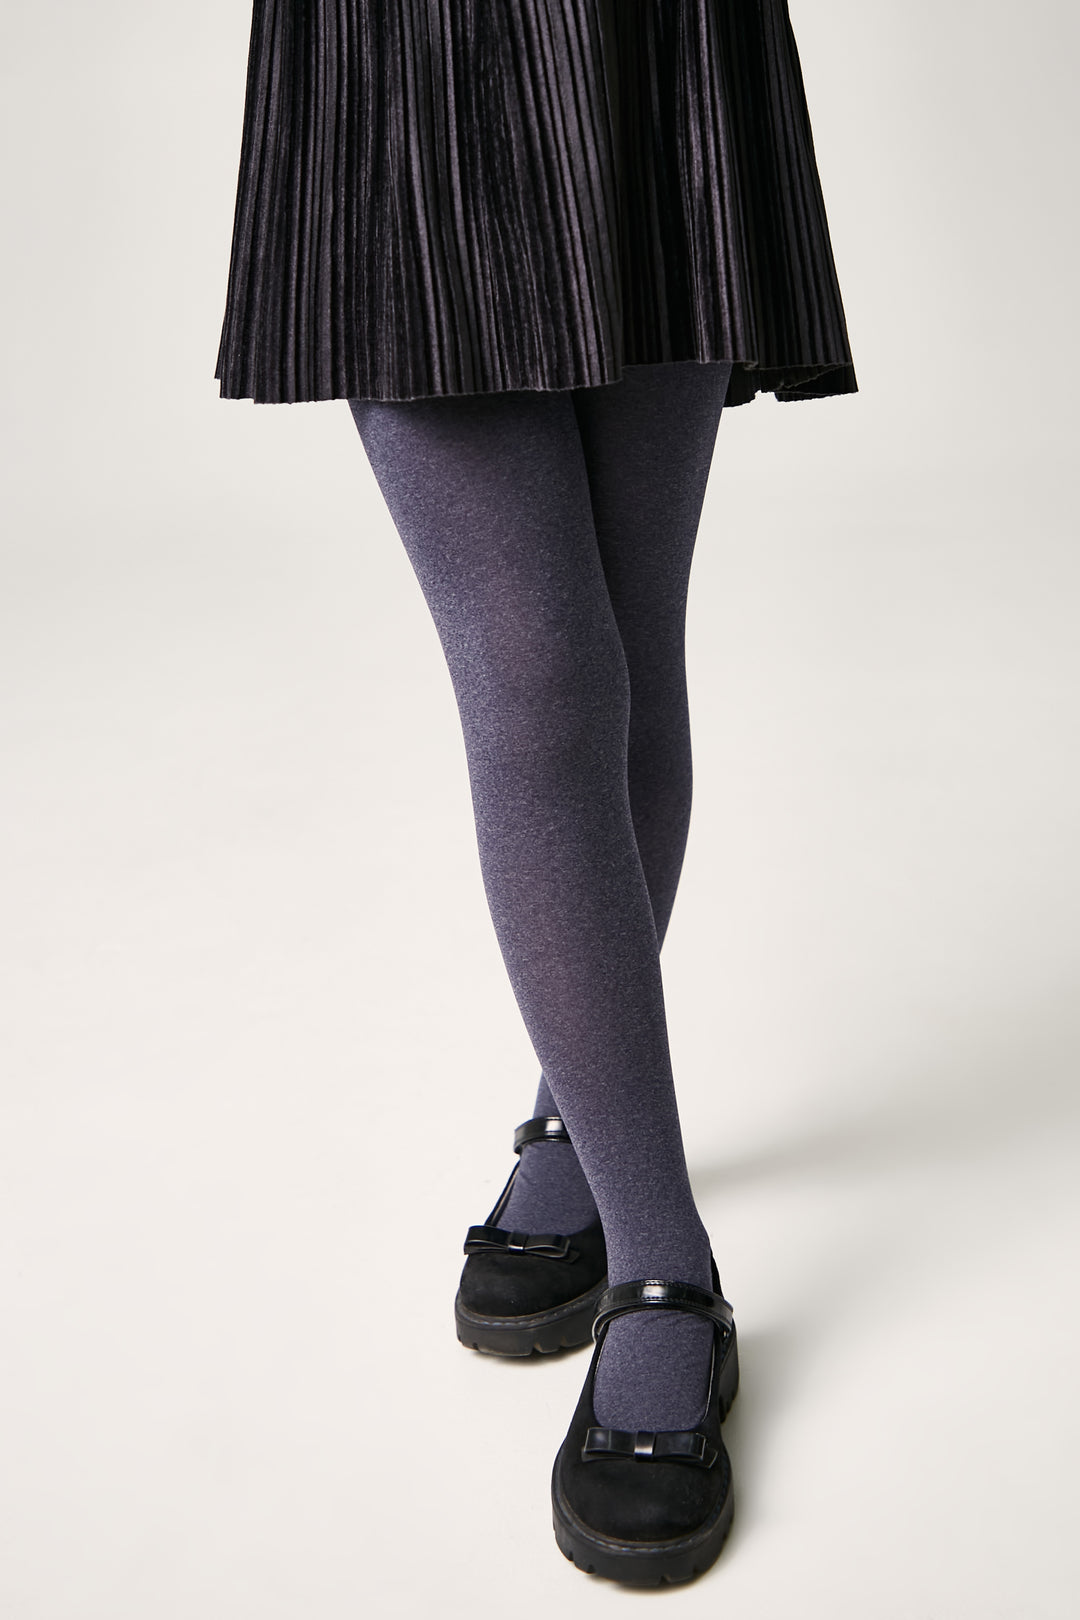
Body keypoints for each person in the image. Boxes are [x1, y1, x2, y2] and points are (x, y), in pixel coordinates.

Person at [214, 1, 857, 1586]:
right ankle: (664, 1263)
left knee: (627, 642)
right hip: (410, 48)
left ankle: (578, 1116)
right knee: (542, 676)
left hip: (653, 39)